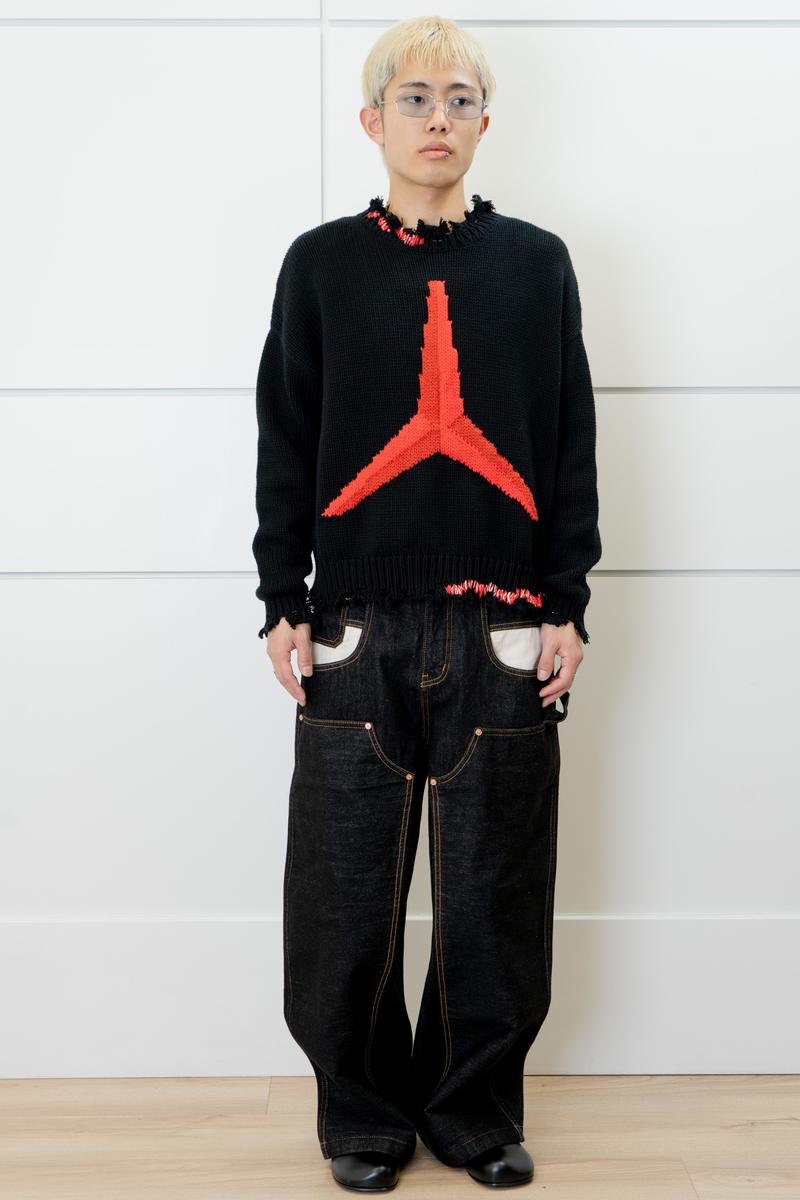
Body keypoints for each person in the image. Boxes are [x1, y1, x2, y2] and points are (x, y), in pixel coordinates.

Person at [251, 15, 601, 1192]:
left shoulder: (536, 266)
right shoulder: (320, 265)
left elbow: (566, 441)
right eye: (413, 98)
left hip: (502, 624)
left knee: (493, 887)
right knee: (342, 887)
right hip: (353, 621)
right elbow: (287, 437)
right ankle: (358, 1112)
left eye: (457, 98)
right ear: (372, 120)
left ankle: (473, 1111)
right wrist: (281, 596)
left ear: (485, 121)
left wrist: (565, 600)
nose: (436, 118)